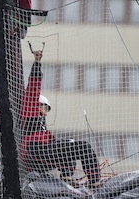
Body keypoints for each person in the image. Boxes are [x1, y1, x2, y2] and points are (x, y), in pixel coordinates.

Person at [19, 49, 101, 188]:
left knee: (68, 145)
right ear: (37, 104)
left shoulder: (42, 127)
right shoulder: (30, 110)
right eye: (45, 108)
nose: (46, 112)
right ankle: (95, 182)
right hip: (34, 151)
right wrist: (37, 63)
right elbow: (34, 86)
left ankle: (67, 175)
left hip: (39, 156)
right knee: (83, 147)